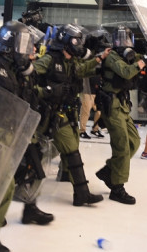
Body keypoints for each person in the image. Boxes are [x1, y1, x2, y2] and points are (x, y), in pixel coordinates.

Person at [0, 21, 52, 252]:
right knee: (1, 188)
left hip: (7, 135)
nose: (30, 51)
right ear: (10, 44)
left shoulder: (12, 69)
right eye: (25, 45)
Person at [33, 24, 107, 207]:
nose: (79, 45)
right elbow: (29, 77)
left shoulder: (70, 62)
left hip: (67, 111)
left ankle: (67, 178)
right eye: (75, 41)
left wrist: (99, 60)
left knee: (67, 148)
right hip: (51, 114)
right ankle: (82, 193)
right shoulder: (49, 60)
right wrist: (46, 91)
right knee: (71, 150)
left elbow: (81, 70)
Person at [94, 26, 145, 204]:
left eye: (128, 38)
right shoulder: (112, 57)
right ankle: (117, 188)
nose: (125, 42)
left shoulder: (126, 55)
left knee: (135, 141)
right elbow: (126, 71)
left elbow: (139, 61)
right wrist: (141, 63)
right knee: (122, 147)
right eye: (122, 39)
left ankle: (109, 170)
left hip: (122, 105)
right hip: (112, 106)